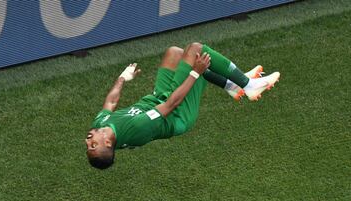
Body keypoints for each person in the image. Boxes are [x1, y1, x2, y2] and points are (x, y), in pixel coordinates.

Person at [85, 42, 280, 169]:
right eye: (93, 145)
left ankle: (230, 85)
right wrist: (195, 73)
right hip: (178, 113)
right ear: (108, 143)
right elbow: (172, 104)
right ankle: (249, 86)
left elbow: (110, 102)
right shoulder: (136, 129)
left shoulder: (100, 123)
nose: (88, 140)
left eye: (89, 144)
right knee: (196, 51)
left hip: (159, 99)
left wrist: (122, 79)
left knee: (175, 53)